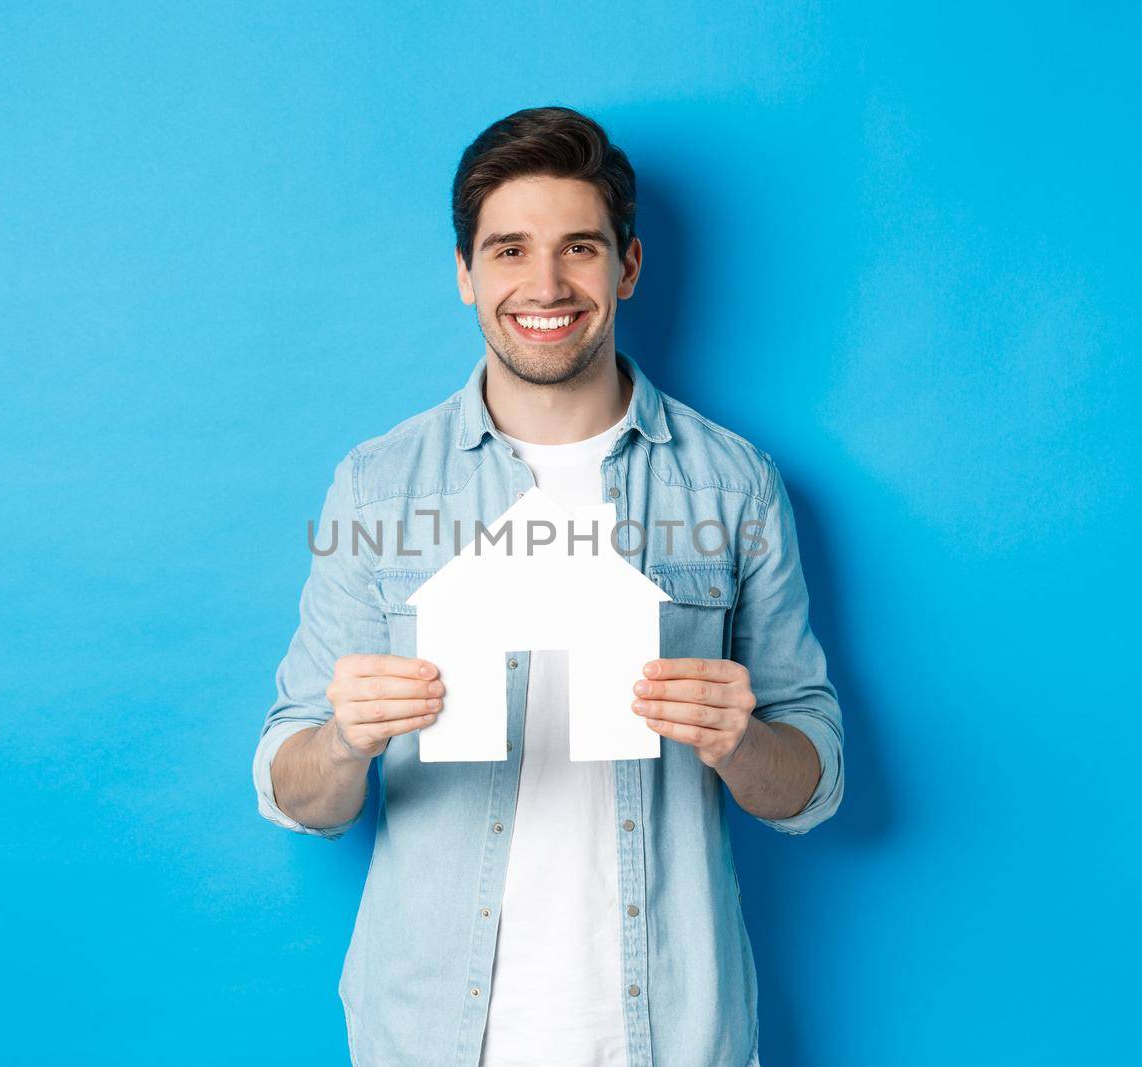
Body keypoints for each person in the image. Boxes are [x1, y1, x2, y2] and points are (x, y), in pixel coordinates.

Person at [252, 105, 843, 1067]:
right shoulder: (377, 485)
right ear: (464, 273)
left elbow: (810, 783)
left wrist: (745, 742)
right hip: (429, 1033)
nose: (544, 284)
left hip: (673, 1034)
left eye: (578, 247)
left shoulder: (735, 485)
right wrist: (343, 738)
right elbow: (294, 787)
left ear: (629, 266)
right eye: (508, 250)